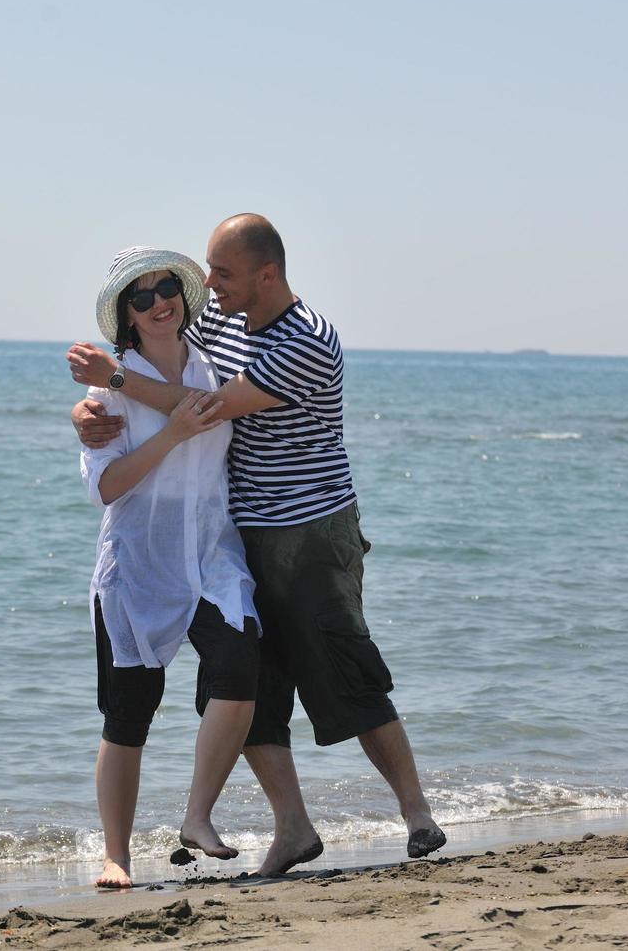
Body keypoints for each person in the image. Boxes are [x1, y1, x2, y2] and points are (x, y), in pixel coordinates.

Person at [67, 215, 447, 876]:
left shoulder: (306, 341)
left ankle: (416, 812)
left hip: (307, 530)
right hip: (234, 536)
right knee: (252, 690)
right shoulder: (218, 321)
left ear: (264, 276)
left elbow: (204, 410)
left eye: (219, 275)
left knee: (343, 668)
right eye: (202, 276)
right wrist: (88, 409)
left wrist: (120, 385)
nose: (198, 289)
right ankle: (291, 828)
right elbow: (141, 373)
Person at [79, 247, 263, 889]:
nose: (160, 301)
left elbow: (211, 408)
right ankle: (116, 856)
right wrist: (168, 435)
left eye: (167, 288)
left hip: (212, 556)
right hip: (139, 565)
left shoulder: (214, 364)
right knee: (129, 716)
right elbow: (108, 489)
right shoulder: (107, 394)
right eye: (141, 296)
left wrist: (180, 419)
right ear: (126, 318)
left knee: (239, 669)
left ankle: (196, 816)